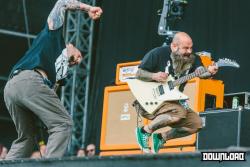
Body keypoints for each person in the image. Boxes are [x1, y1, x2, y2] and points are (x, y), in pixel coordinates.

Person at [3, 0, 102, 159]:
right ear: (71, 45)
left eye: (77, 63)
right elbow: (61, 3)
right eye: (78, 56)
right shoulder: (53, 36)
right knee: (63, 124)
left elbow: (46, 104)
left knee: (27, 138)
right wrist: (88, 8)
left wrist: (43, 142)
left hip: (12, 88)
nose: (77, 61)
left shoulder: (60, 74)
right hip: (29, 79)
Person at [134, 32, 218, 153]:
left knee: (197, 123)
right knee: (179, 112)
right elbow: (139, 74)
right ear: (174, 46)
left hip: (173, 102)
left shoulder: (193, 58)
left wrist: (209, 71)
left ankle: (162, 137)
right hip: (150, 101)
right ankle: (144, 131)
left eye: (191, 47)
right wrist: (154, 75)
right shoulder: (158, 53)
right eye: (185, 48)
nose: (189, 51)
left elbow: (201, 72)